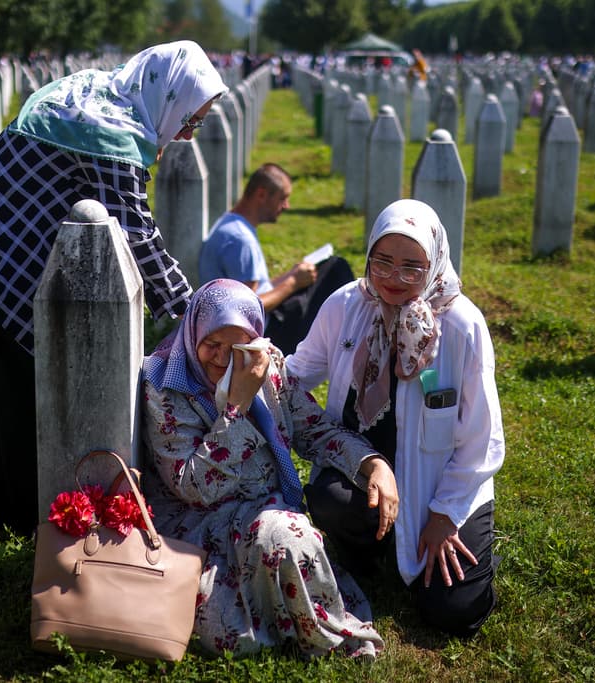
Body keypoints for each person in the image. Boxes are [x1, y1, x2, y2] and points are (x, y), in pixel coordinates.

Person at [0, 40, 228, 536]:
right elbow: (137, 235)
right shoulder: (111, 131)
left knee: (8, 379)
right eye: (190, 120)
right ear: (171, 95)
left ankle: (10, 512)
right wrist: (197, 311)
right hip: (0, 244)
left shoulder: (107, 94)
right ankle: (23, 520)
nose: (188, 135)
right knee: (21, 383)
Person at [140, 278, 397, 658]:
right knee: (277, 545)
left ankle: (307, 623)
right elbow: (191, 485)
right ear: (193, 330)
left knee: (284, 537)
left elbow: (313, 427)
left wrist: (371, 463)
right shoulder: (164, 383)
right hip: (199, 523)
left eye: (237, 348)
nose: (223, 360)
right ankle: (312, 631)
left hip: (264, 508)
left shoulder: (266, 364)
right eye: (212, 344)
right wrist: (236, 408)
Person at [286, 199, 505, 639]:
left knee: (452, 611)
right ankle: (368, 545)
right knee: (329, 498)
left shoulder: (462, 325)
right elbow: (296, 374)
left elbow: (483, 440)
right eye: (381, 263)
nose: (392, 280)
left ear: (435, 263)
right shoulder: (348, 304)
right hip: (366, 467)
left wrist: (444, 515)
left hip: (440, 484)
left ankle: (458, 542)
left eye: (411, 268)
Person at [198, 163, 354, 355]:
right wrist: (293, 282)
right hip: (265, 334)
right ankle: (353, 343)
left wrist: (292, 274)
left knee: (328, 268)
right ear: (262, 194)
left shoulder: (231, 224)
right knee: (336, 270)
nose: (286, 206)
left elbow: (252, 290)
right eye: (283, 198)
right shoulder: (240, 240)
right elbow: (246, 309)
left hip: (262, 321)